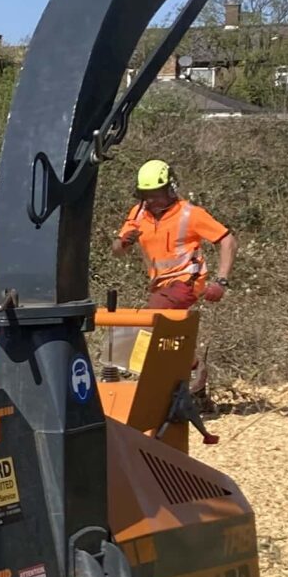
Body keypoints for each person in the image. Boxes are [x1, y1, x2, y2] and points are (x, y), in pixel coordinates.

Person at [115, 159, 236, 403]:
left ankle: (139, 382)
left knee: (151, 318)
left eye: (156, 195)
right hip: (160, 285)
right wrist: (125, 241)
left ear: (170, 188)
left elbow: (228, 240)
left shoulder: (191, 214)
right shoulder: (138, 213)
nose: (151, 201)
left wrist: (221, 281)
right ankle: (194, 372)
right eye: (146, 195)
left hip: (186, 282)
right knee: (167, 335)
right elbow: (117, 249)